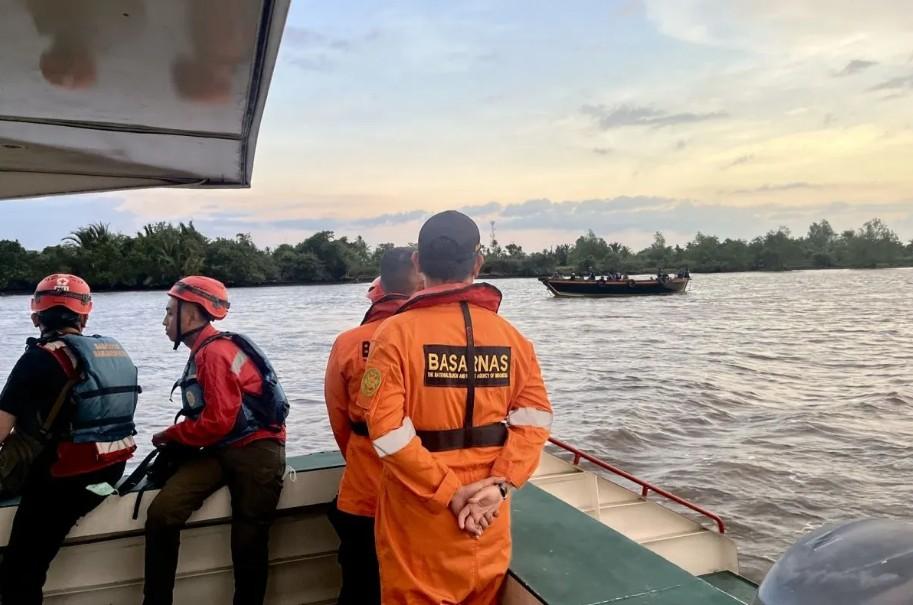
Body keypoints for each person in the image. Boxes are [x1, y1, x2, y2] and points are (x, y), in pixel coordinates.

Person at [358, 211, 553, 604]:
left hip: (421, 518)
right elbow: (535, 422)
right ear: (478, 264)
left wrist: (450, 492)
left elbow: (386, 432)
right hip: (487, 517)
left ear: (417, 263)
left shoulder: (393, 335)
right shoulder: (512, 338)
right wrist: (499, 486)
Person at [143, 276, 289, 605]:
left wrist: (169, 436)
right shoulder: (209, 349)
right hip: (224, 447)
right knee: (163, 513)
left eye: (169, 312)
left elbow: (218, 421)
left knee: (248, 540)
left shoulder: (214, 353)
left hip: (258, 451)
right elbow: (219, 425)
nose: (165, 321)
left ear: (191, 315)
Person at [0, 273, 139, 604]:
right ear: (85, 315)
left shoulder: (36, 359)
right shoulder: (109, 353)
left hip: (63, 482)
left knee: (20, 572)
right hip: (107, 475)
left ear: (35, 316)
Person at [324, 247, 422, 604]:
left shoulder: (347, 343)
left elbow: (339, 420)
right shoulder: (432, 339)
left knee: (359, 584)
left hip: (364, 490)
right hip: (424, 494)